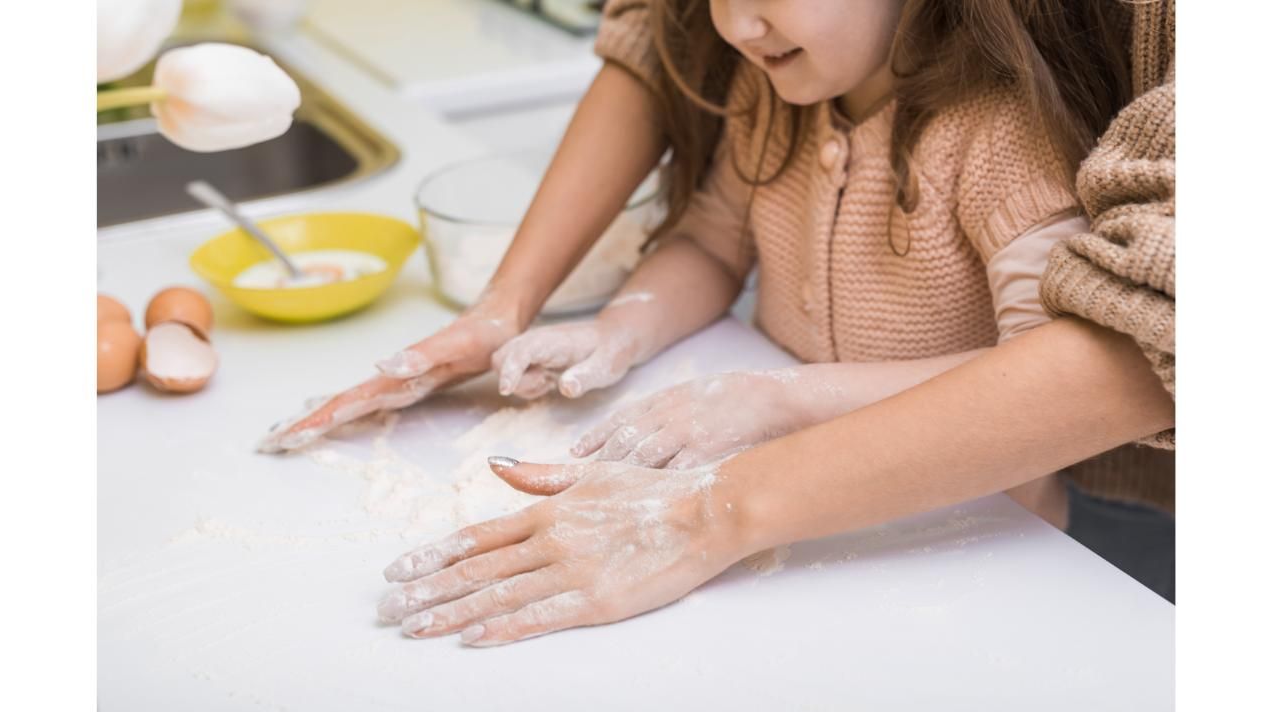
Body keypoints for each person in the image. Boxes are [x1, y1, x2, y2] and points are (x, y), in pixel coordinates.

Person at [264, 0, 1176, 645]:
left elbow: (1039, 375)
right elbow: (708, 244)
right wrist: (615, 331)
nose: (735, 24)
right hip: (806, 517)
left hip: (973, 532)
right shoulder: (766, 94)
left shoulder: (1002, 139)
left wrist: (779, 399)